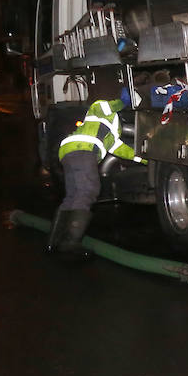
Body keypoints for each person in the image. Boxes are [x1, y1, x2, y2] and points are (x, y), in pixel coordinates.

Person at [47, 79, 148, 257]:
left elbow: (119, 149)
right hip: (82, 151)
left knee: (73, 195)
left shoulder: (114, 126)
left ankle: (54, 241)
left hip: (70, 153)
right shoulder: (101, 107)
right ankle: (70, 243)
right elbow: (108, 107)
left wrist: (145, 159)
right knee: (88, 191)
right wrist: (123, 100)